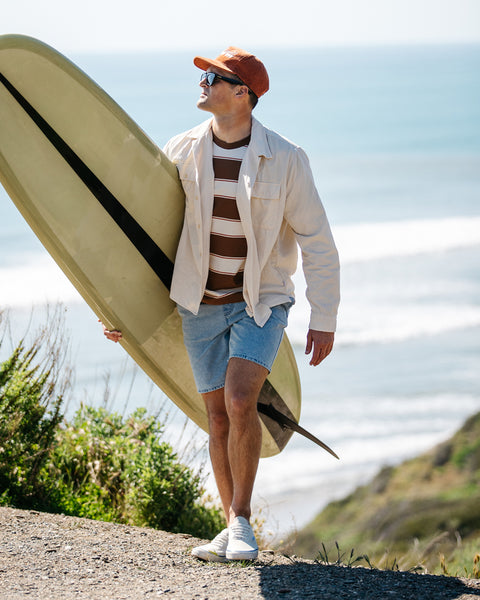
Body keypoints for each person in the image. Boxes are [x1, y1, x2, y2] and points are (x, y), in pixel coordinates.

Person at [103, 47, 340, 562]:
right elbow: (147, 236)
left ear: (243, 94)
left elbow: (317, 241)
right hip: (200, 301)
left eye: (214, 77)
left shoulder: (286, 158)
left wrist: (324, 317)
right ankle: (230, 524)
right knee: (215, 416)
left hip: (260, 301)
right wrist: (118, 307)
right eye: (205, 75)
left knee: (238, 401)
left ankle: (244, 523)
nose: (203, 82)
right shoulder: (182, 150)